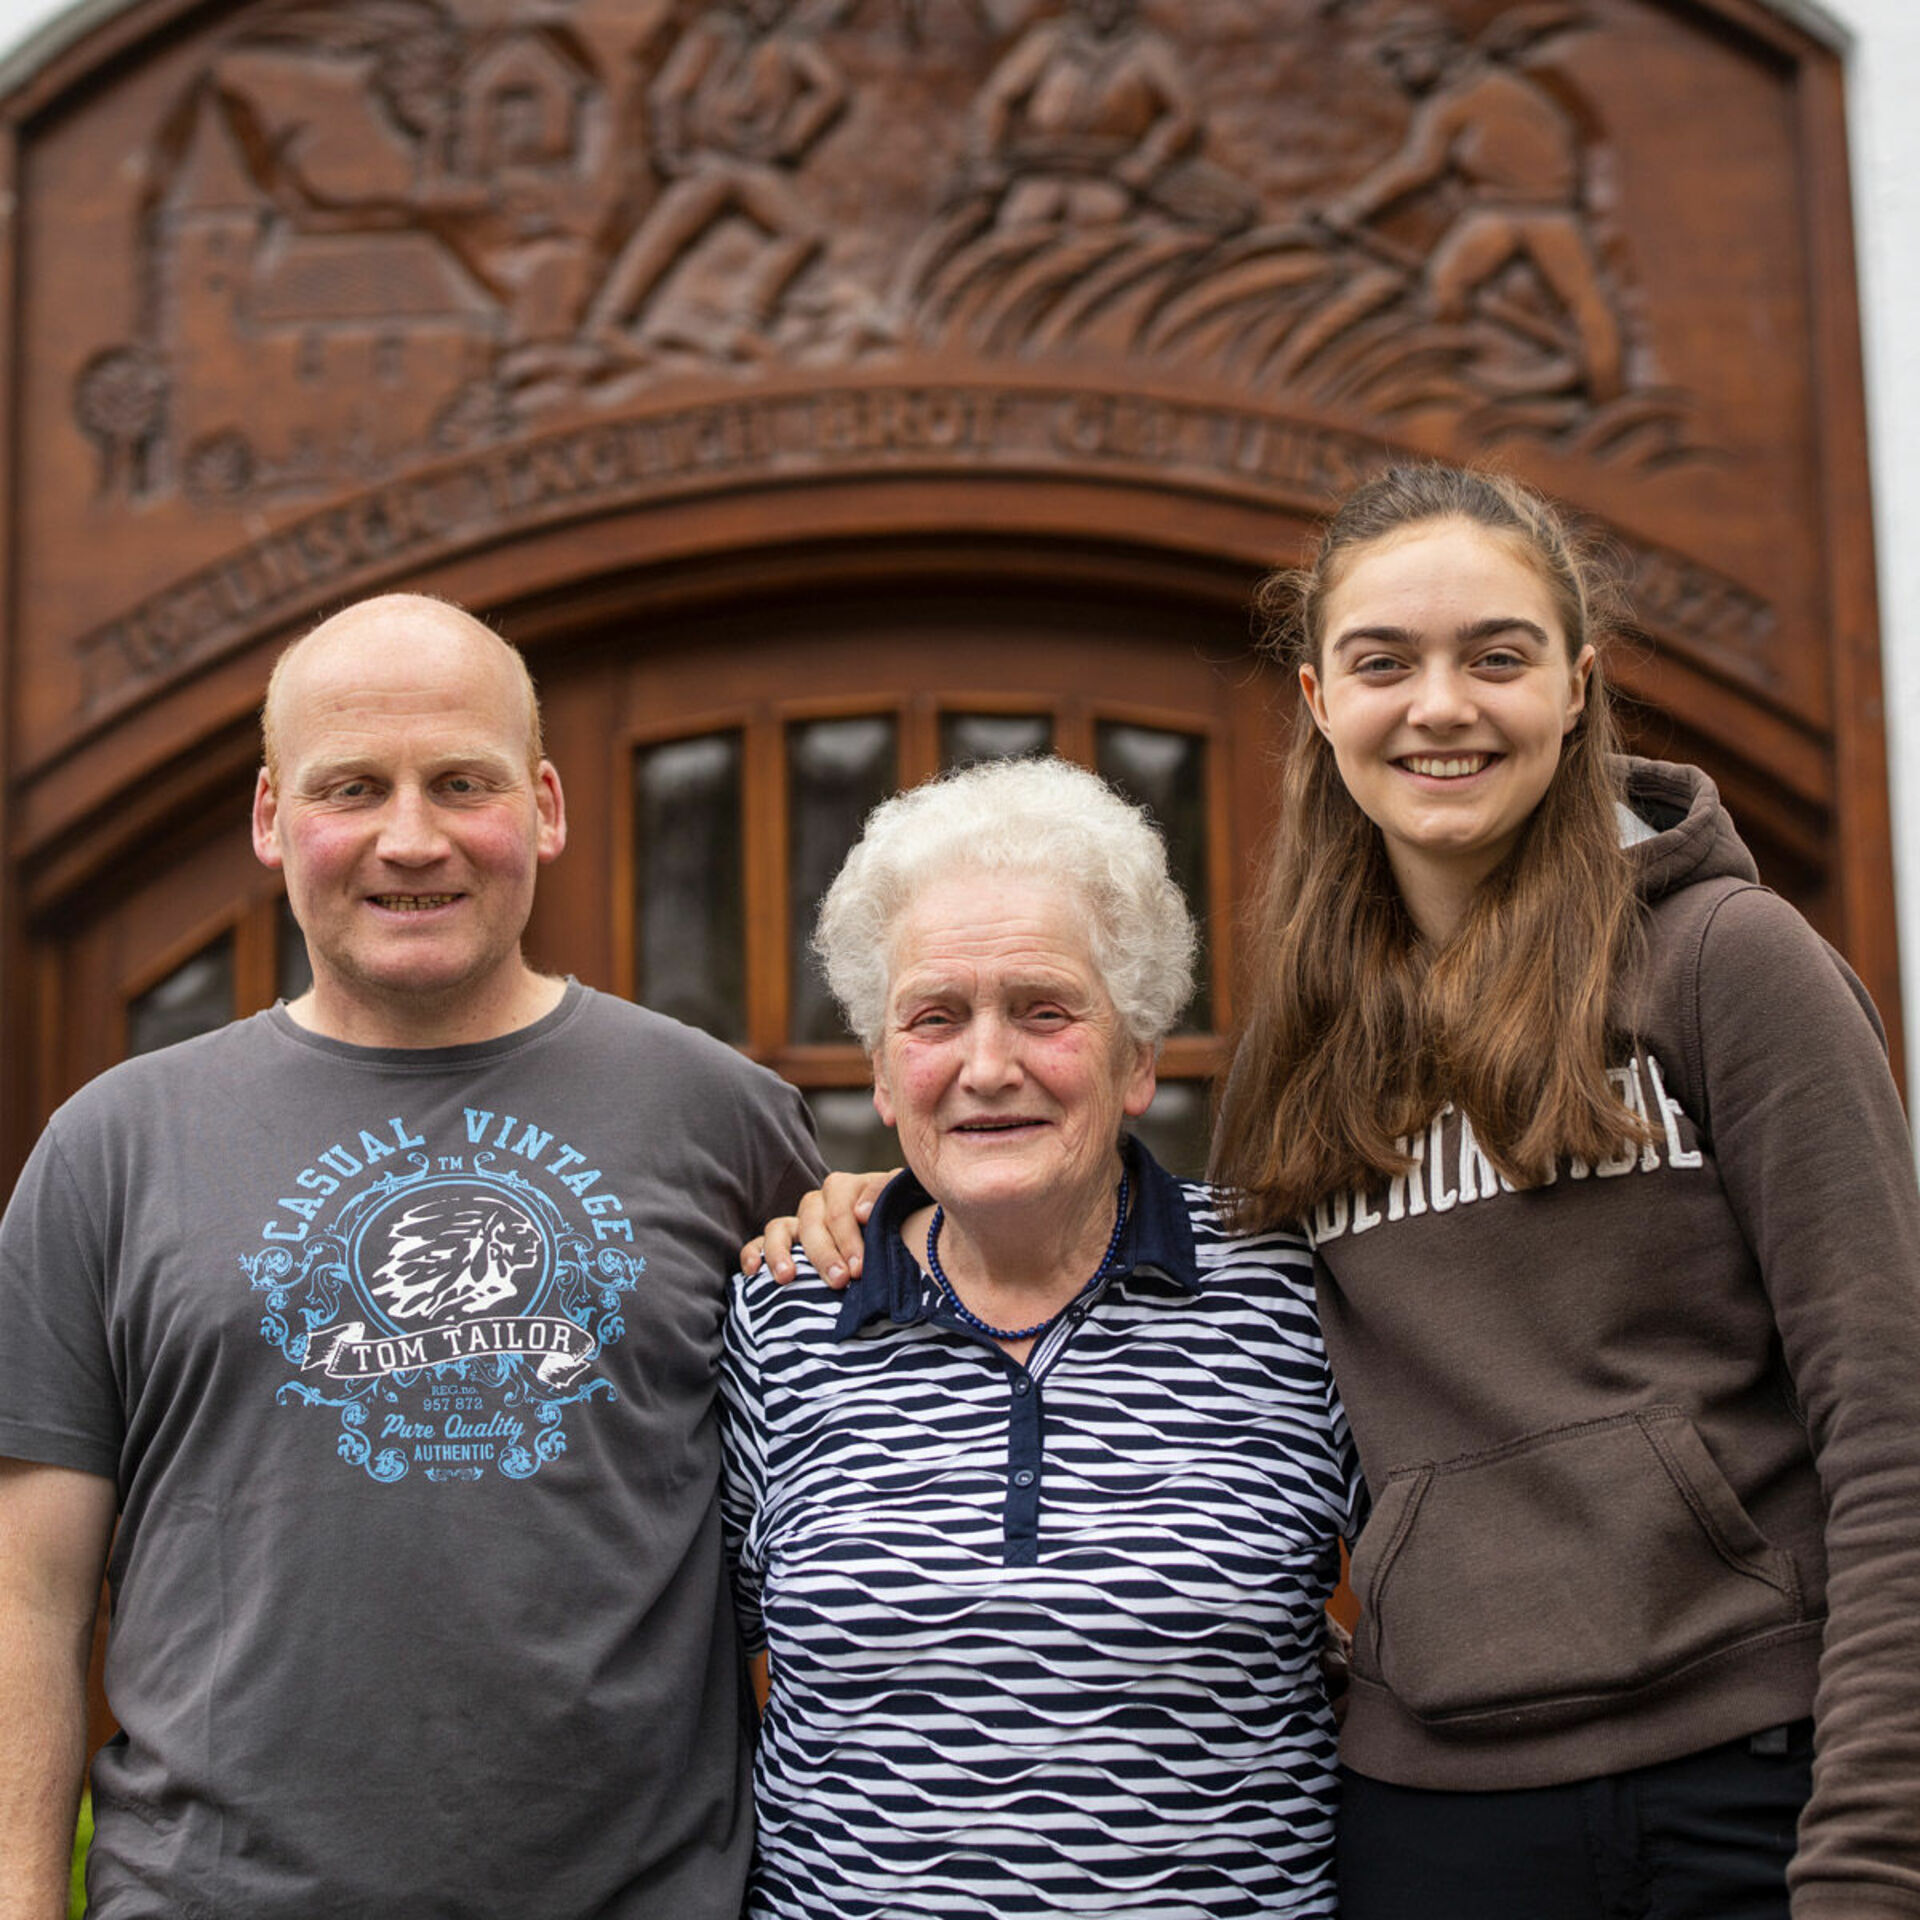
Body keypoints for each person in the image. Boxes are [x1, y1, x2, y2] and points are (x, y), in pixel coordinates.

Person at [756, 466, 1920, 1918]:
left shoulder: (1729, 964)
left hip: (1741, 1769)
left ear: (1579, 688)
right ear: (1318, 700)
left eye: (1498, 655)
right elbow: (1171, 1305)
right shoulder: (1303, 1053)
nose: (1441, 706)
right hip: (1433, 1808)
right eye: (1386, 662)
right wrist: (914, 1200)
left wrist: (1874, 1853)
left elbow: (1890, 1437)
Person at [0, 594, 822, 1918]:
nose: (410, 838)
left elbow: (842, 1520)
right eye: (351, 788)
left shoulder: (721, 1118)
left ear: (545, 805)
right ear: (271, 820)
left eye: (460, 782)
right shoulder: (112, 1145)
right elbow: (25, 1597)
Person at [721, 756, 1358, 1918]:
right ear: (881, 1070)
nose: (986, 1066)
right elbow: (687, 1678)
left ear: (1139, 1059)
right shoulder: (786, 1311)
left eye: (1044, 1010)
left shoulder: (1289, 1289)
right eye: (934, 1019)